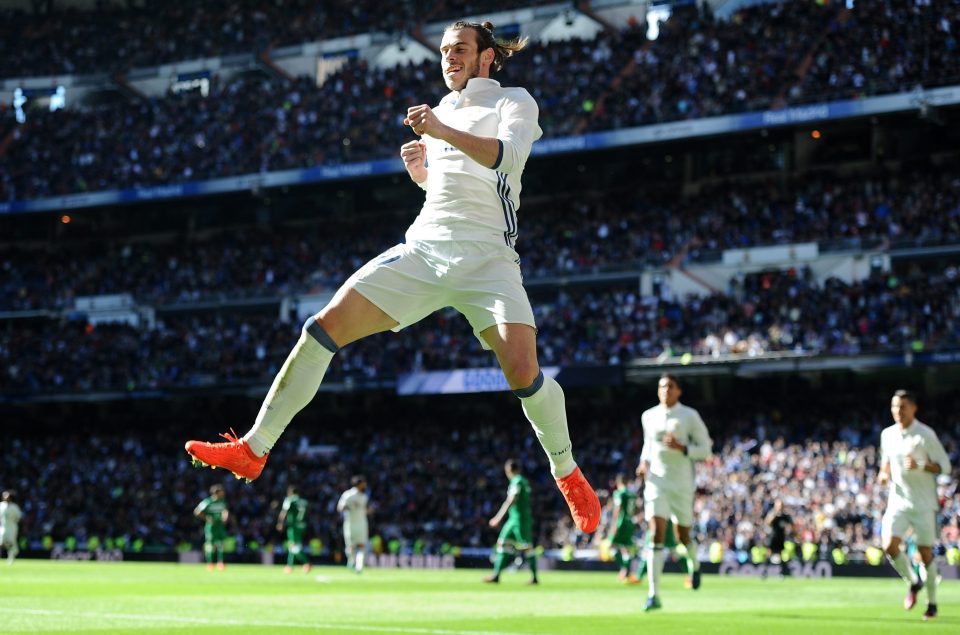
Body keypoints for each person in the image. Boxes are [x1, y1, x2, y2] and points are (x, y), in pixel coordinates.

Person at [183, 19, 600, 536]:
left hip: (489, 260)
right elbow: (453, 192)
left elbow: (505, 158)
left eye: (460, 49)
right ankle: (253, 448)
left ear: (486, 56)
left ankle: (567, 471)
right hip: (425, 250)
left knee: (523, 373)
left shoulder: (514, 101)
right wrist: (424, 178)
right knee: (321, 327)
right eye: (445, 50)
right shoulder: (442, 110)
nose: (449, 58)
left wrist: (442, 134)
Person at [636, 373, 713, 611]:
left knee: (683, 536)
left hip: (681, 484)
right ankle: (653, 595)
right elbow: (648, 445)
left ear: (679, 391)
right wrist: (643, 463)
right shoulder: (648, 416)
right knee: (656, 533)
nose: (665, 390)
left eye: (670, 386)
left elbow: (706, 450)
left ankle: (695, 566)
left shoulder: (689, 416)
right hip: (656, 482)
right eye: (661, 386)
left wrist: (683, 448)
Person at [878, 389, 951, 621]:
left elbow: (945, 467)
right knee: (889, 545)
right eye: (894, 407)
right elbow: (886, 462)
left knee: (924, 552)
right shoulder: (887, 434)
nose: (897, 411)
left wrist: (922, 465)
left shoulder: (925, 434)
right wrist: (882, 474)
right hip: (898, 500)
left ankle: (932, 604)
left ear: (913, 408)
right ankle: (913, 581)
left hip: (923, 503)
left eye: (902, 407)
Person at [484, 459, 538, 585]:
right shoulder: (523, 481)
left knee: (527, 548)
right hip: (513, 519)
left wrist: (497, 518)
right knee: (502, 544)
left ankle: (535, 577)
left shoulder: (517, 481)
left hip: (521, 520)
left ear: (508, 471)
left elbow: (511, 500)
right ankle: (496, 575)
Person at [607, 473, 639, 583]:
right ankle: (626, 571)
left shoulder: (620, 493)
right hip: (630, 522)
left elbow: (618, 510)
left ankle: (624, 569)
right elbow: (636, 509)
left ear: (618, 482)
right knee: (626, 549)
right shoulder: (632, 494)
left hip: (621, 523)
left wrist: (613, 525)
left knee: (611, 547)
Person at [337, 475, 370, 573]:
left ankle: (359, 566)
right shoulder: (348, 495)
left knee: (361, 545)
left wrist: (368, 510)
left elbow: (364, 509)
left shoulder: (364, 496)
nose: (365, 485)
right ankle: (351, 562)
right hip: (350, 524)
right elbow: (340, 508)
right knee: (350, 546)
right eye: (364, 483)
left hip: (362, 523)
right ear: (359, 484)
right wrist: (350, 507)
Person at [194, 484, 229, 571]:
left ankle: (221, 563)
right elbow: (197, 511)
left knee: (221, 544)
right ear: (216, 493)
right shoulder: (208, 502)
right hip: (211, 526)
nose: (223, 493)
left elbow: (225, 510)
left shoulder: (222, 501)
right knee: (211, 545)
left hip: (219, 525)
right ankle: (210, 563)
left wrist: (225, 516)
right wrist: (207, 518)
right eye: (221, 492)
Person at [277, 485, 311, 574]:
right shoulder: (303, 501)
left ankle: (306, 562)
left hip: (293, 526)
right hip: (302, 525)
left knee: (294, 546)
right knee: (293, 546)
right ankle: (290, 566)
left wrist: (280, 523)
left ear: (290, 492)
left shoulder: (290, 500)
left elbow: (284, 511)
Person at [762, 499, 792, 579]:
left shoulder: (784, 515)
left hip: (781, 538)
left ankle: (781, 573)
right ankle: (764, 572)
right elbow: (767, 523)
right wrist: (775, 514)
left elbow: (790, 524)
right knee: (769, 554)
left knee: (780, 556)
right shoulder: (772, 514)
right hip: (773, 537)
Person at [0, 490, 23, 565]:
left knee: (11, 542)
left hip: (12, 527)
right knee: (1, 542)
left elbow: (19, 517)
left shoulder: (14, 507)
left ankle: (11, 557)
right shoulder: (1, 505)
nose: (5, 497)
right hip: (3, 526)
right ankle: (14, 551)